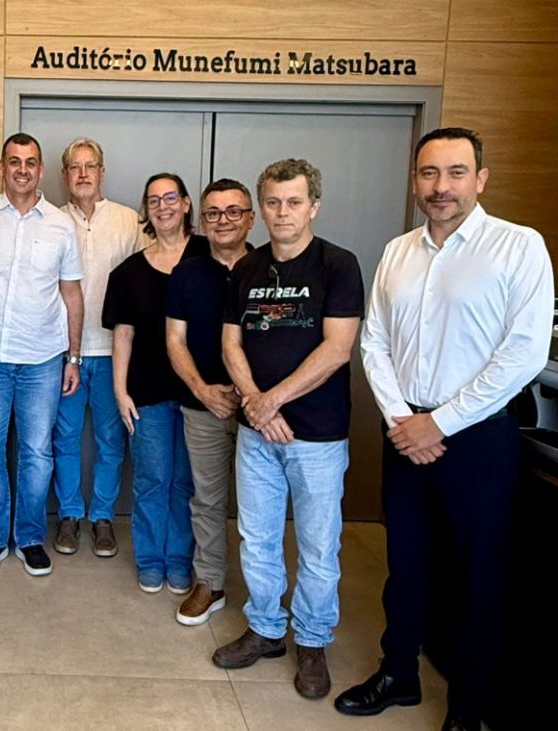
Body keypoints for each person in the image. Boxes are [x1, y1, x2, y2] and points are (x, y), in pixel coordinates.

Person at [336, 128, 553, 731]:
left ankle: (469, 706)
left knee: (479, 574)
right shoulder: (398, 251)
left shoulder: (518, 247)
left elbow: (524, 354)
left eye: (456, 172)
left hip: (478, 437)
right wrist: (402, 419)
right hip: (406, 430)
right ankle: (398, 674)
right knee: (406, 562)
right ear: (415, 180)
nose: (441, 186)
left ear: (480, 178)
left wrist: (441, 422)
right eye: (429, 173)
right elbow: (374, 342)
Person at [213, 159, 363, 700]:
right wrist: (256, 406)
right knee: (257, 538)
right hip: (257, 434)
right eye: (273, 202)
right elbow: (230, 343)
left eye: (294, 202)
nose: (283, 213)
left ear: (313, 206)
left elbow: (338, 349)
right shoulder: (246, 269)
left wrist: (270, 401)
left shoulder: (337, 265)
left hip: (316, 436)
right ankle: (265, 628)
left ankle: (313, 640)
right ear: (261, 208)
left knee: (319, 546)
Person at [0, 132, 84, 577]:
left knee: (37, 452)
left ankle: (29, 538)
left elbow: (72, 294)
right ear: (2, 167)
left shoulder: (60, 225)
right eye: (14, 161)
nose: (23, 170)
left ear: (41, 170)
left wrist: (73, 358)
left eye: (31, 162)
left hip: (42, 359)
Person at [102, 172, 208, 594]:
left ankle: (180, 560)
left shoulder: (209, 257)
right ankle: (150, 559)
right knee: (152, 480)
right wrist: (120, 391)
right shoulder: (129, 272)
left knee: (186, 483)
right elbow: (122, 336)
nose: (163, 206)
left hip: (200, 395)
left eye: (170, 198)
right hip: (147, 393)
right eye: (154, 200)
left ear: (186, 203)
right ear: (145, 210)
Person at [166, 178, 254, 625]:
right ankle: (209, 582)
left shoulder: (270, 269)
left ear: (250, 218)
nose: (223, 221)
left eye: (233, 211)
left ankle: (264, 595)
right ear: (201, 220)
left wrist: (252, 396)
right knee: (207, 500)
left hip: (261, 411)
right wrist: (203, 390)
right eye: (214, 213)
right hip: (203, 407)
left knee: (261, 507)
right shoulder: (187, 273)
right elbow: (174, 340)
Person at [52, 137, 146, 558]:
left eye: (90, 166)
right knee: (65, 439)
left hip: (113, 354)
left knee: (112, 440)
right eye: (75, 167)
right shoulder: (51, 220)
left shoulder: (130, 221)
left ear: (102, 172)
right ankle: (70, 515)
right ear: (65, 175)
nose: (83, 174)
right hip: (64, 352)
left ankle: (102, 516)